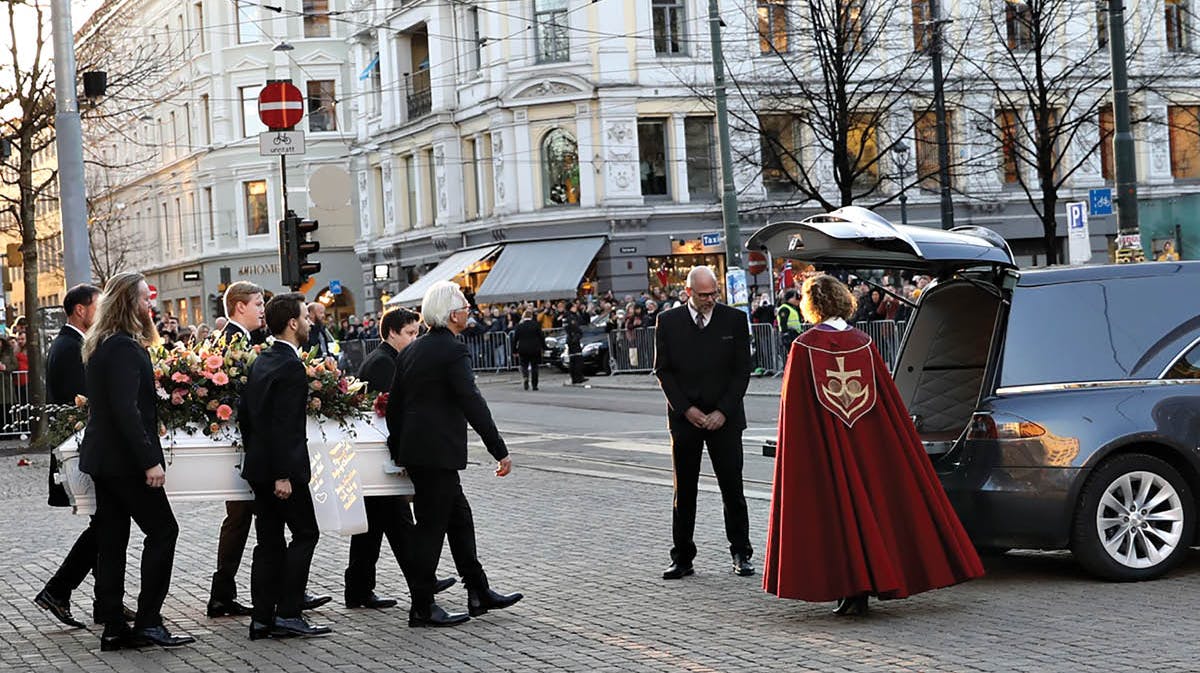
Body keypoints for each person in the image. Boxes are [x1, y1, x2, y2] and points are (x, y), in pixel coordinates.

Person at [763, 274, 984, 616]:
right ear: (843, 300)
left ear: (811, 305)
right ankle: (878, 577)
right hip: (868, 448)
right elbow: (887, 406)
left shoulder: (804, 347)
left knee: (838, 511)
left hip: (827, 448)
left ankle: (851, 587)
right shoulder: (864, 343)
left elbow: (796, 412)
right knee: (874, 505)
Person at [388, 281, 522, 628]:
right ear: (452, 314)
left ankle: (478, 590)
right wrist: (499, 449)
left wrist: (401, 450)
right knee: (431, 530)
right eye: (464, 306)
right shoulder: (452, 350)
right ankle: (421, 606)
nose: (468, 311)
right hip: (437, 453)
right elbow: (471, 401)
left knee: (460, 519)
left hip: (421, 452)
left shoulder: (413, 350)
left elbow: (395, 407)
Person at [78, 273, 194, 651]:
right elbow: (125, 411)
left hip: (104, 460)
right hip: (127, 462)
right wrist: (149, 461)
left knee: (112, 541)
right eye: (146, 299)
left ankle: (113, 626)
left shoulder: (102, 344)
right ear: (129, 302)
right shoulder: (125, 348)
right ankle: (148, 621)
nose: (151, 305)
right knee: (163, 532)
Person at [345, 307, 456, 609]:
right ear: (392, 333)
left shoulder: (388, 358)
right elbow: (391, 412)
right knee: (399, 525)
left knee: (374, 528)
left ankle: (358, 589)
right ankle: (423, 583)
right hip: (380, 459)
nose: (415, 338)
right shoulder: (384, 363)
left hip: (377, 459)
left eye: (417, 332)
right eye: (409, 333)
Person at [240, 293, 332, 640]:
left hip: (259, 466)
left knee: (269, 542)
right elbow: (285, 424)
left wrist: (262, 461)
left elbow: (247, 418)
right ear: (293, 323)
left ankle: (262, 618)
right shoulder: (291, 365)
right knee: (306, 533)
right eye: (307, 317)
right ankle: (289, 612)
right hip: (281, 470)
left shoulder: (261, 359)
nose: (310, 323)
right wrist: (282, 474)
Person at [653, 266, 754, 580]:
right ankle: (682, 556)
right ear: (688, 293)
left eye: (714, 293)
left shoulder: (734, 321)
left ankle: (741, 552)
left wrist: (723, 411)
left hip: (725, 417)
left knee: (732, 488)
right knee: (684, 491)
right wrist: (686, 410)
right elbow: (663, 371)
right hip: (686, 420)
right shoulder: (668, 322)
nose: (710, 299)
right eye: (703, 294)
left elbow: (742, 371)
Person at [36, 284, 126, 630]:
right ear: (79, 310)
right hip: (86, 453)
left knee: (106, 524)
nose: (101, 312)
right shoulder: (70, 348)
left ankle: (104, 603)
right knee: (105, 524)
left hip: (90, 450)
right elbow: (80, 405)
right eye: (97, 306)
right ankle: (60, 590)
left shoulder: (73, 344)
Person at [206, 281, 269, 619]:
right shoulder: (232, 341)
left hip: (243, 442)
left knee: (244, 518)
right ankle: (224, 594)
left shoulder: (242, 339)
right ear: (240, 306)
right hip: (241, 443)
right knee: (244, 517)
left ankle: (225, 593)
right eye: (258, 303)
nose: (262, 309)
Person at [512, 310, 544, 391]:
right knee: (535, 367)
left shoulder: (519, 326)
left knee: (524, 366)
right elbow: (541, 337)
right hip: (535, 349)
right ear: (531, 316)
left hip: (523, 349)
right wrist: (544, 347)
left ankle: (525, 378)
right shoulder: (536, 325)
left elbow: (515, 339)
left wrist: (514, 350)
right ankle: (534, 384)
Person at [564, 301, 587, 384]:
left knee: (575, 359)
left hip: (573, 339)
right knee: (576, 359)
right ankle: (577, 377)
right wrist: (579, 334)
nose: (576, 307)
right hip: (573, 339)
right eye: (574, 306)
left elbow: (582, 321)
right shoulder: (570, 317)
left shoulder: (570, 316)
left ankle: (577, 376)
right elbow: (575, 327)